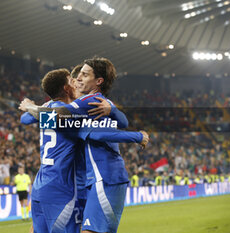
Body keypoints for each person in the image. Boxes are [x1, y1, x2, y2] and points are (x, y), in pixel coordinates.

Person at [20, 58, 149, 233]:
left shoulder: (62, 107)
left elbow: (25, 118)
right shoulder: (72, 113)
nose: (77, 80)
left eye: (83, 75)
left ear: (98, 81)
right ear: (68, 88)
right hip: (69, 186)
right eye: (74, 79)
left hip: (49, 183)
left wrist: (31, 106)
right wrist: (137, 135)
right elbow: (98, 132)